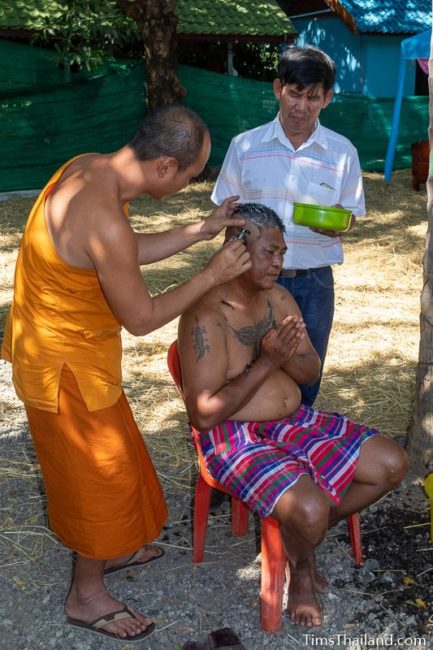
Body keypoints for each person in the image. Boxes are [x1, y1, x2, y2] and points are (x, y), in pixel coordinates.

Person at [0, 104, 252, 642]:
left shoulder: (88, 167)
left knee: (122, 462)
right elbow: (141, 318)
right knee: (98, 480)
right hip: (65, 370)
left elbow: (118, 253)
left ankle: (114, 548)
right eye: (188, 174)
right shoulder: (106, 217)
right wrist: (213, 275)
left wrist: (200, 230)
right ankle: (85, 593)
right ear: (164, 166)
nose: (188, 184)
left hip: (67, 355)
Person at [177, 203, 408, 628]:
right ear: (238, 250)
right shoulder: (204, 315)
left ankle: (299, 535)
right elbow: (205, 415)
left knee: (393, 463)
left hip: (295, 422)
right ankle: (301, 568)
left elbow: (310, 370)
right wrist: (266, 361)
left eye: (282, 252)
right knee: (311, 508)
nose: (280, 262)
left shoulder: (280, 297)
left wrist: (285, 353)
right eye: (270, 252)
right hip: (235, 438)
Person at [211, 45, 365, 406]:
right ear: (278, 88)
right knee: (244, 366)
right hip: (251, 279)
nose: (301, 107)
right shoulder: (245, 146)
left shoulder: (343, 153)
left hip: (313, 280)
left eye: (313, 97)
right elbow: (226, 217)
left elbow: (351, 215)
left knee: (306, 373)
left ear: (327, 98)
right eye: (295, 93)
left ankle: (299, 441)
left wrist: (341, 224)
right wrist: (225, 280)